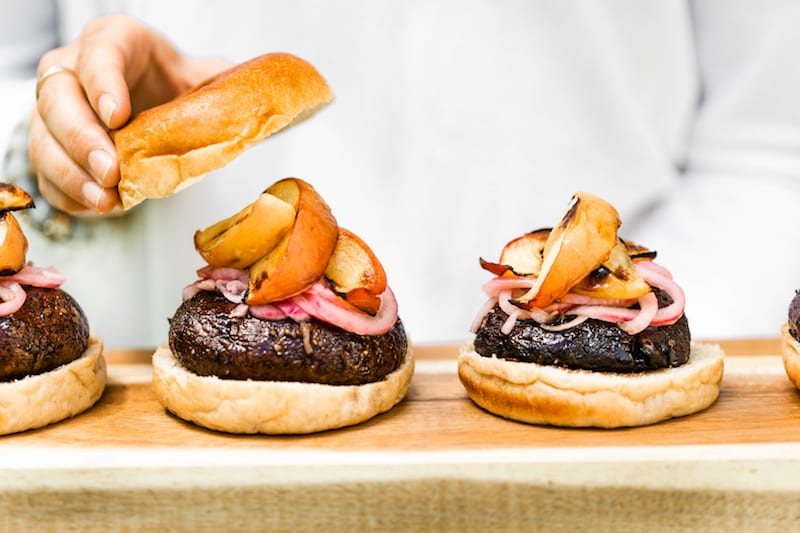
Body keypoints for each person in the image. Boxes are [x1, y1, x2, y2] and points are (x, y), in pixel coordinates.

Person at [2, 1, 800, 348]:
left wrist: (637, 376)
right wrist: (88, 147)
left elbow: (769, 138)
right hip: (160, 418)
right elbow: (13, 79)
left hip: (621, 426)